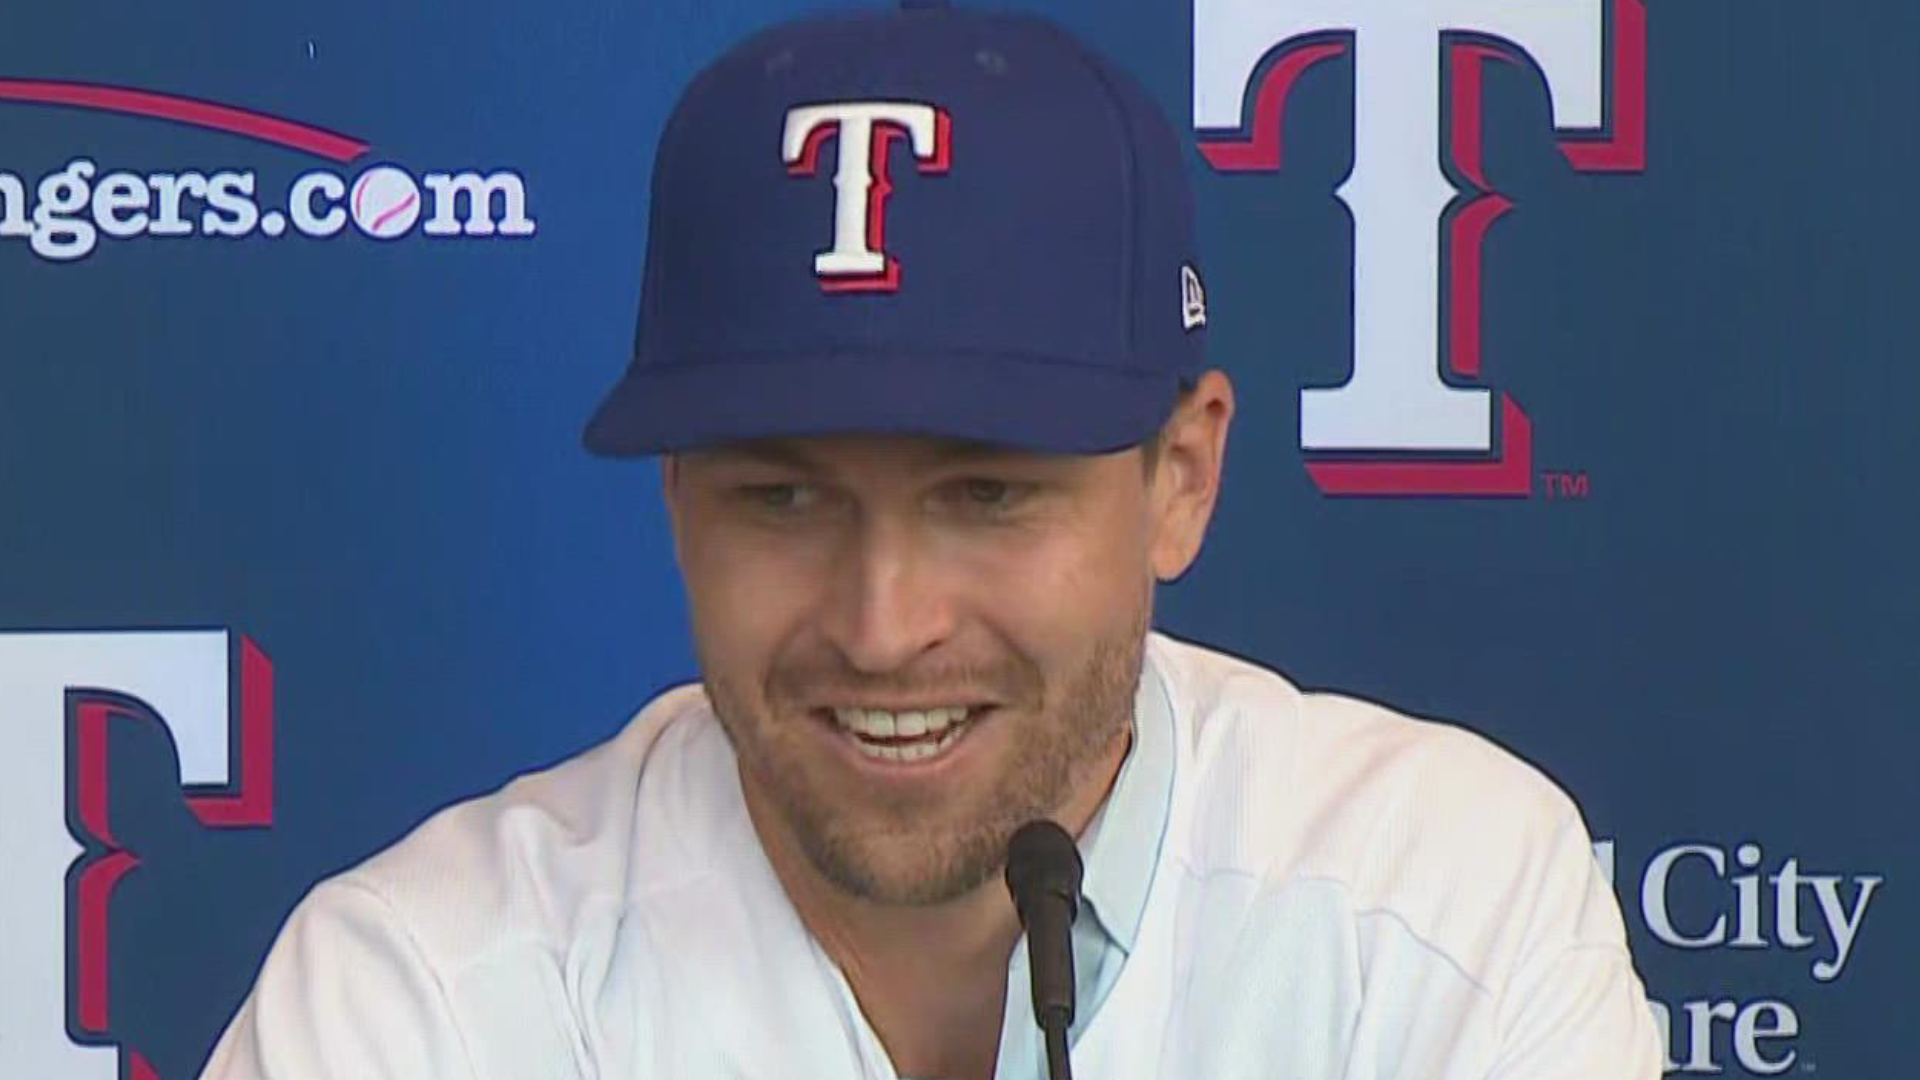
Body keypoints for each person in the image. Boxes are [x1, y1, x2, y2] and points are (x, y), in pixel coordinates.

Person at [200, 3, 1662, 1078]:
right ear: (675, 503)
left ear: (1182, 477)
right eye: (782, 497)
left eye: (987, 494)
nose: (885, 623)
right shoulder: (417, 1000)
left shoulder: (1435, 904)